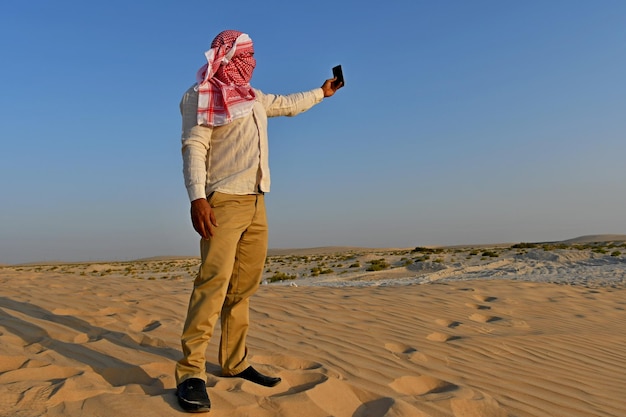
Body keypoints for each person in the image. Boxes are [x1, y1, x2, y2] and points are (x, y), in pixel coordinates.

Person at [175, 29, 342, 413]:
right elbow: (194, 146)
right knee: (212, 283)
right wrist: (197, 198)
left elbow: (286, 104)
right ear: (227, 56)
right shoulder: (200, 95)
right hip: (222, 201)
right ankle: (191, 373)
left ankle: (233, 362)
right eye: (246, 55)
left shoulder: (252, 98)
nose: (251, 62)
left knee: (243, 285)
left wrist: (322, 92)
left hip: (256, 201)